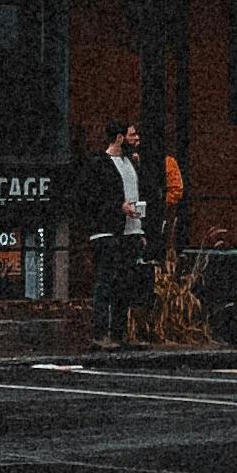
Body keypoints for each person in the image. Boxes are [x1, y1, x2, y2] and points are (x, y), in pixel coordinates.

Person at [75, 120, 144, 345]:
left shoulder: (131, 163)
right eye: (131, 135)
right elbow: (90, 198)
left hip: (130, 231)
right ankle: (100, 332)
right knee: (106, 281)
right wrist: (118, 206)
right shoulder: (99, 164)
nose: (136, 139)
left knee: (124, 283)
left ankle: (119, 332)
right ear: (119, 138)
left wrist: (139, 228)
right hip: (107, 232)